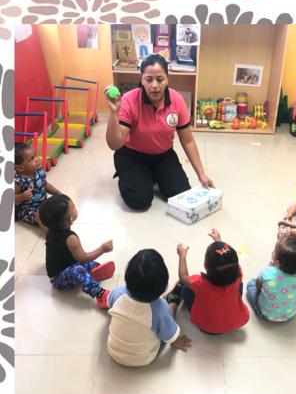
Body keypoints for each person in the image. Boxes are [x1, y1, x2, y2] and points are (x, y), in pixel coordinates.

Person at [104, 55, 213, 210]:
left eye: (160, 79)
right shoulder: (128, 100)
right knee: (139, 200)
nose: (154, 85)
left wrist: (201, 175)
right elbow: (114, 144)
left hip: (163, 155)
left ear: (167, 79)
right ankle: (133, 174)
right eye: (149, 79)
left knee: (181, 194)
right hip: (132, 155)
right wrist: (114, 112)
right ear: (141, 79)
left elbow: (188, 140)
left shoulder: (177, 100)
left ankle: (151, 174)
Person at [106, 248, 192, 366]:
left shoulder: (118, 293)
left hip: (113, 350)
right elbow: (169, 335)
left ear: (127, 278)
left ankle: (169, 298)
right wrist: (175, 341)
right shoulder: (160, 308)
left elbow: (109, 303)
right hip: (143, 358)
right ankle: (173, 299)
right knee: (166, 318)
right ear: (164, 287)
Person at [171, 228, 250, 335]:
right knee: (239, 284)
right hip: (233, 323)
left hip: (206, 327)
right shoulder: (238, 273)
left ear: (206, 266)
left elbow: (183, 277)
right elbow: (227, 263)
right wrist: (218, 241)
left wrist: (182, 256)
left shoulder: (200, 283)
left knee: (185, 288)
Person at [39, 194, 113, 308]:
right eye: (73, 206)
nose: (75, 206)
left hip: (69, 264)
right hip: (59, 279)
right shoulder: (71, 239)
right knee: (78, 269)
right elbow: (83, 258)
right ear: (70, 219)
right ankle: (100, 294)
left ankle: (90, 275)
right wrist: (102, 249)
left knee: (91, 264)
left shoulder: (51, 229)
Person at [247, 235, 296, 323]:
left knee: (251, 285)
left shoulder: (267, 272)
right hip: (290, 315)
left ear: (277, 262)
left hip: (266, 315)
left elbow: (258, 286)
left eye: (275, 251)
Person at [14, 141, 63, 228]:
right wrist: (22, 196)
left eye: (35, 155)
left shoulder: (39, 171)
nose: (37, 159)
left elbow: (45, 184)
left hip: (43, 202)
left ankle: (57, 223)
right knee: (40, 218)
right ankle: (52, 233)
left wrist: (58, 193)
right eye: (31, 159)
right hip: (27, 209)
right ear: (20, 168)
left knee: (59, 206)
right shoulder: (18, 181)